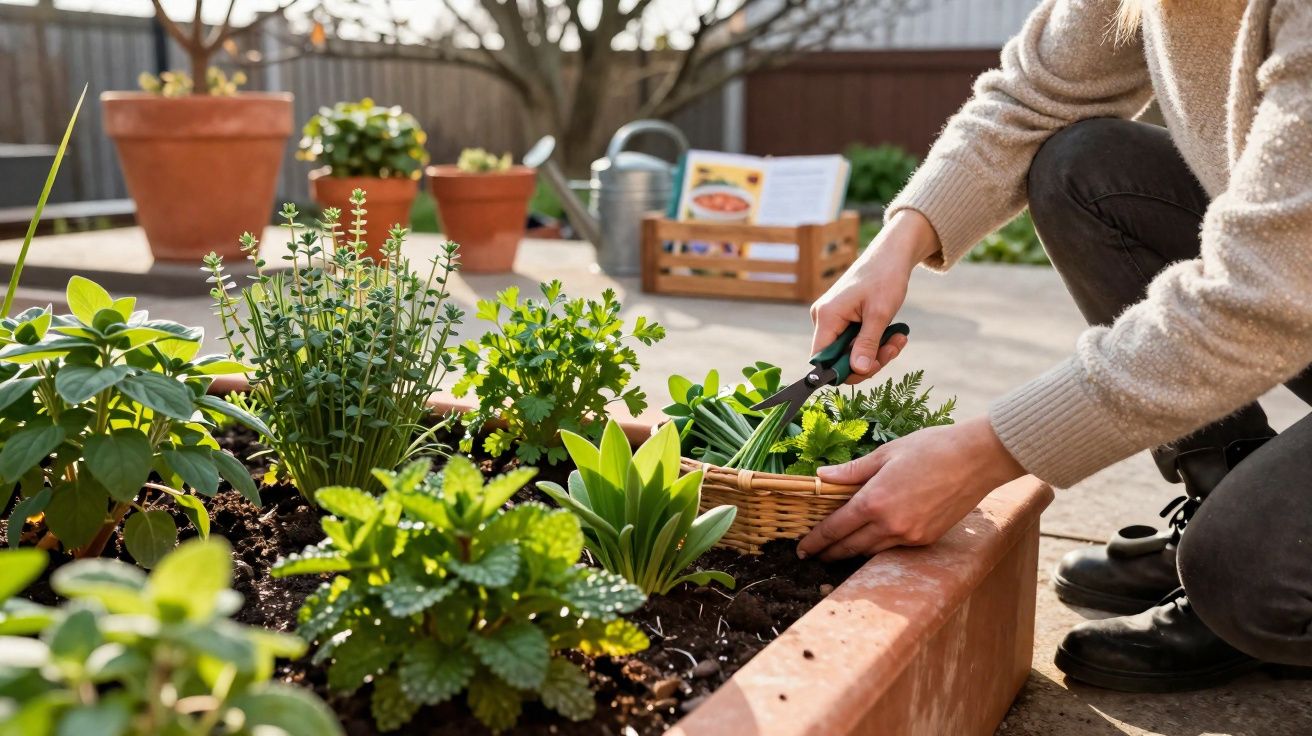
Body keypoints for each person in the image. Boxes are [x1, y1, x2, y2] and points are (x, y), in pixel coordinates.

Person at [799, 0, 1312, 693]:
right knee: (1083, 165)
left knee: (1247, 577)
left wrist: (985, 454)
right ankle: (1224, 485)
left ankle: (1258, 577)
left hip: (1290, 286)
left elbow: (1264, 296)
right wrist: (894, 247)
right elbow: (1034, 94)